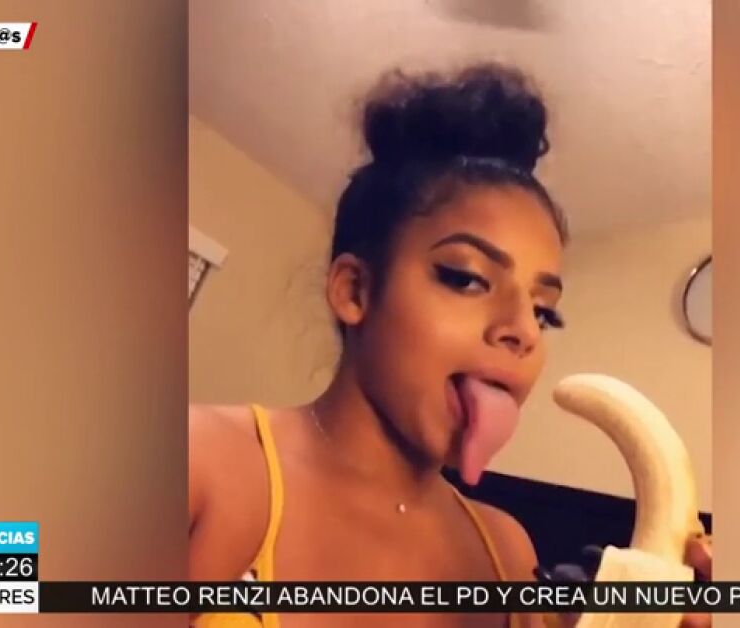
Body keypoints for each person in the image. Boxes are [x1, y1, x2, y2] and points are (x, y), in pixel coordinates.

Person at [189, 62, 712, 628]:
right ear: (355, 290)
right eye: (466, 278)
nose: (523, 330)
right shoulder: (203, 465)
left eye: (543, 311)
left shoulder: (507, 553)